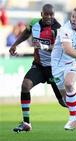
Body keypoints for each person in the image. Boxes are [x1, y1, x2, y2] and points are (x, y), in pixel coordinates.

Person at [9, 4, 66, 133]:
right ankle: (26, 123)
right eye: (46, 14)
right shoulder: (34, 24)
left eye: (51, 14)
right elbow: (26, 33)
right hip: (39, 66)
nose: (49, 17)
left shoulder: (57, 28)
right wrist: (14, 44)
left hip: (53, 68)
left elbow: (59, 48)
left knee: (64, 102)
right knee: (25, 85)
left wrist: (43, 46)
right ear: (42, 14)